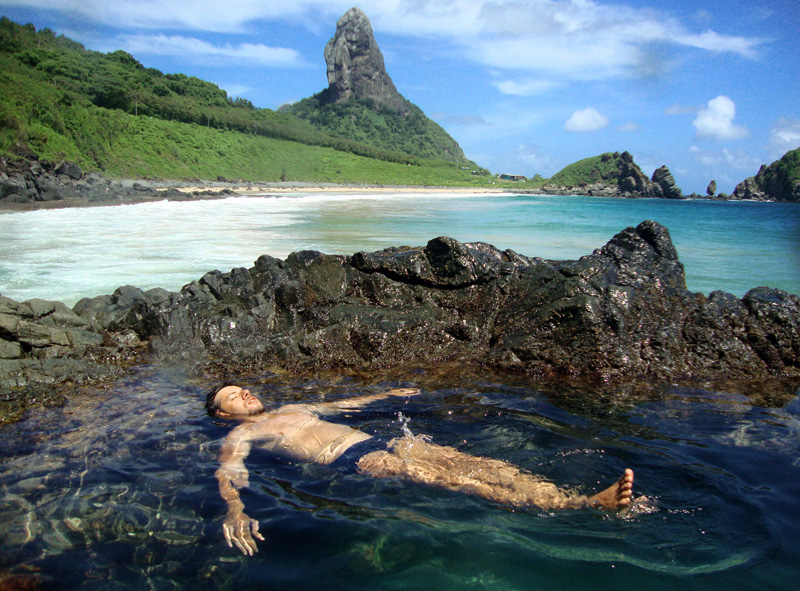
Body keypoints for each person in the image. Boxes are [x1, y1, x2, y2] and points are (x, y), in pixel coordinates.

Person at [206, 383, 636, 556]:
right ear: (222, 414)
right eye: (233, 396)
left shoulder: (296, 406)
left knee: (478, 463)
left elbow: (348, 405)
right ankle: (580, 504)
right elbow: (228, 473)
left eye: (243, 388)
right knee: (456, 481)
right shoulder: (239, 437)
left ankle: (559, 494)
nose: (244, 393)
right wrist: (235, 510)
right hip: (352, 459)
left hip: (383, 440)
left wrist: (390, 392)